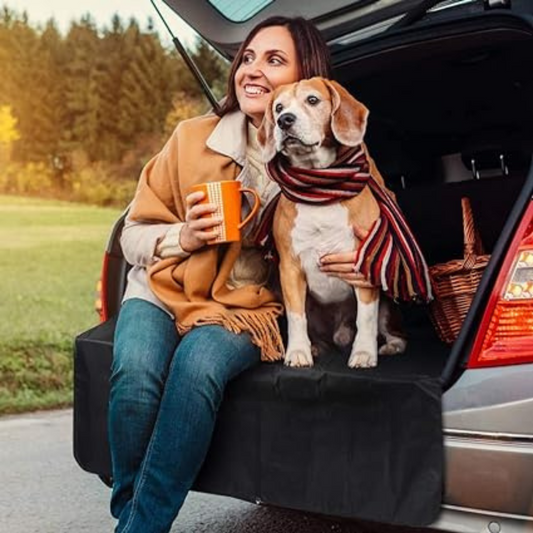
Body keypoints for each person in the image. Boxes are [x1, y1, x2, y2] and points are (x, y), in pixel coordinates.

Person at [108, 15, 366, 533]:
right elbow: (131, 235)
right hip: (162, 289)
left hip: (248, 307)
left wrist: (362, 256)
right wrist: (184, 236)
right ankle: (135, 518)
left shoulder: (325, 161)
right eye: (247, 57)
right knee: (135, 380)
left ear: (303, 78)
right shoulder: (189, 139)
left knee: (196, 372)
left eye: (273, 61)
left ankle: (138, 529)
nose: (251, 70)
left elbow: (372, 225)